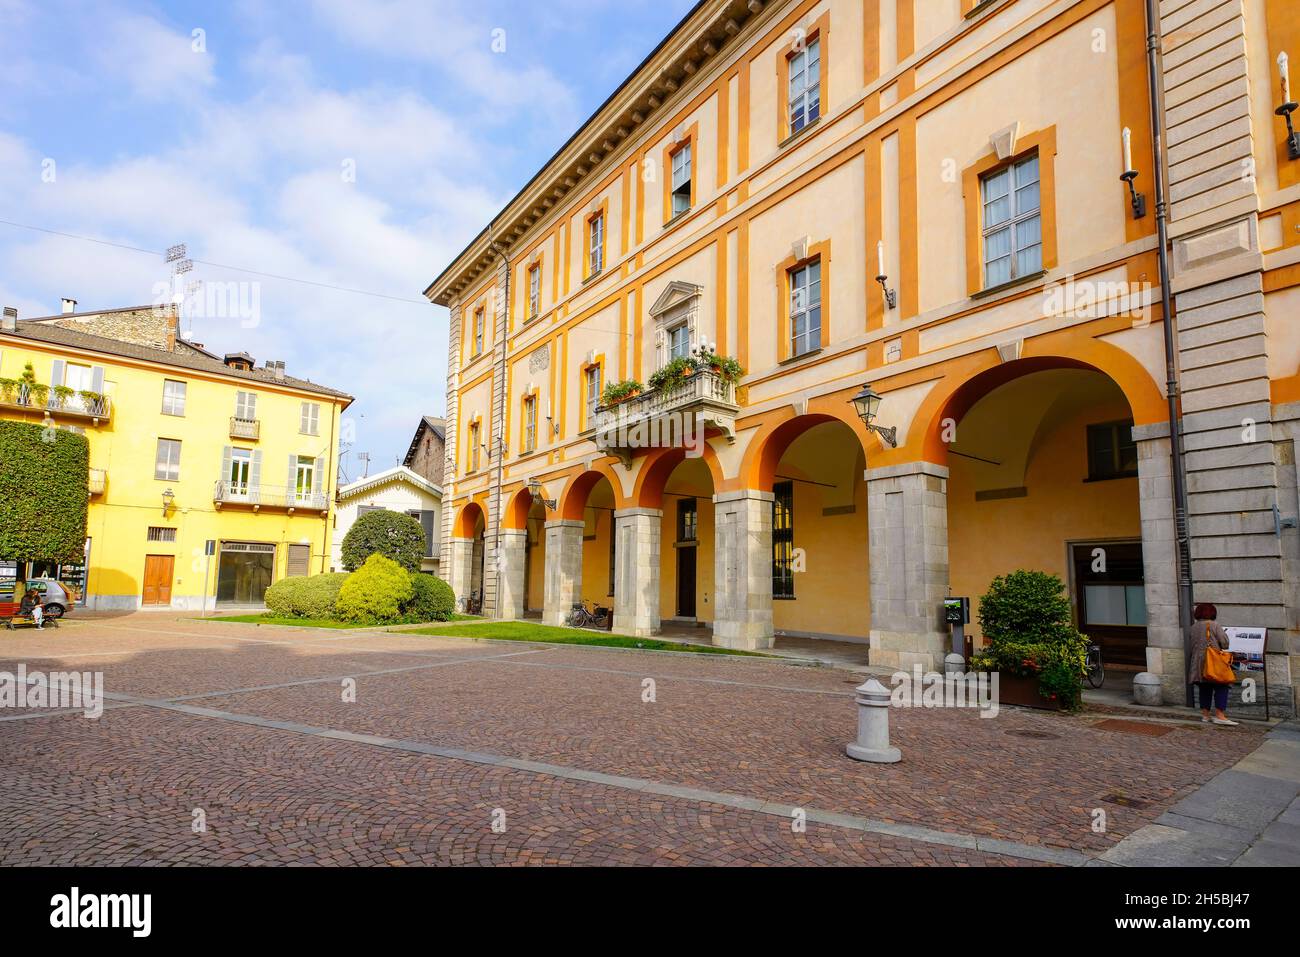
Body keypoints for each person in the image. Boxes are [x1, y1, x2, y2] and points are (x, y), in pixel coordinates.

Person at [1187, 603, 1236, 726]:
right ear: (1212, 612)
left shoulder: (1193, 627)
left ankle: (1205, 715)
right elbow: (1225, 643)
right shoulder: (1214, 625)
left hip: (1197, 664)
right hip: (1212, 662)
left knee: (1204, 688)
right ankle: (1220, 715)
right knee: (1222, 685)